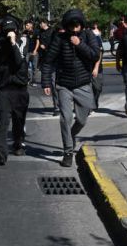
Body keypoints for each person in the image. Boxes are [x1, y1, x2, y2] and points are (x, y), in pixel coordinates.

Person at [40, 9, 100, 167]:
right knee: (65, 118)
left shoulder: (88, 36)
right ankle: (68, 152)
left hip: (83, 84)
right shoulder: (59, 39)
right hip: (63, 85)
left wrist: (79, 44)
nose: (75, 28)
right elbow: (47, 62)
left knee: (82, 119)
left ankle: (72, 134)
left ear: (82, 24)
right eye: (71, 25)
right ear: (66, 26)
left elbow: (95, 55)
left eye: (77, 25)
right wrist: (46, 82)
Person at [0, 17, 30, 165]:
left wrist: (13, 44)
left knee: (19, 121)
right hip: (4, 90)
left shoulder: (23, 42)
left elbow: (20, 61)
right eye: (6, 31)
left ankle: (18, 143)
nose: (9, 34)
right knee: (3, 121)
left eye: (12, 31)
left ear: (17, 31)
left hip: (21, 89)